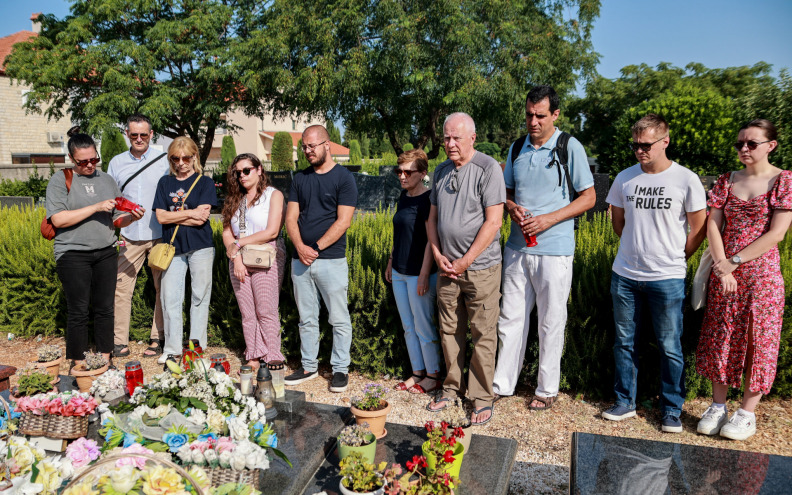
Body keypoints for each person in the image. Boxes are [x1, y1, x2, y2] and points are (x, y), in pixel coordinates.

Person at [493, 85, 596, 410]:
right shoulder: (516, 148)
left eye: (540, 115)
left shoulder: (569, 146)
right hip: (517, 248)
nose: (533, 121)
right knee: (510, 318)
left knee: (551, 321)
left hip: (555, 250)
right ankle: (502, 384)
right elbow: (505, 192)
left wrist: (548, 219)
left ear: (555, 115)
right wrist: (511, 207)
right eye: (528, 114)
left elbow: (589, 198)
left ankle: (546, 389)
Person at [603, 113, 707, 432]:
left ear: (665, 141)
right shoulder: (624, 178)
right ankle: (625, 402)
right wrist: (637, 249)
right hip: (625, 274)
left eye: (646, 145)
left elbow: (700, 226)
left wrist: (677, 256)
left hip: (668, 277)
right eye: (635, 145)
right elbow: (618, 223)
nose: (639, 151)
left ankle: (672, 409)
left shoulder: (686, 179)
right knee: (624, 342)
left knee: (669, 345)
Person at [695, 119, 792, 441]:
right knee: (719, 337)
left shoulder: (783, 181)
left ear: (771, 145)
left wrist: (734, 262)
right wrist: (722, 266)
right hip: (725, 274)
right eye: (740, 144)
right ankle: (717, 406)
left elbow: (777, 233)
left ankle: (747, 413)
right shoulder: (726, 180)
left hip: (761, 276)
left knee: (758, 341)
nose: (744, 149)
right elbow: (713, 224)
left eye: (751, 143)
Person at [426, 112, 505, 425]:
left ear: (473, 137)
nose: (449, 144)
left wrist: (465, 260)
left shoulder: (487, 168)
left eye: (456, 137)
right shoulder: (441, 171)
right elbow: (431, 219)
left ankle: (481, 396)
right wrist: (436, 253)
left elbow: (494, 221)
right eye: (446, 137)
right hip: (446, 269)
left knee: (483, 333)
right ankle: (450, 388)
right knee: (449, 331)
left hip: (481, 269)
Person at [45, 128, 143, 366]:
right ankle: (78, 363)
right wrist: (95, 207)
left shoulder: (107, 180)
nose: (90, 165)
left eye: (94, 159)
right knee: (78, 310)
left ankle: (105, 359)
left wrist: (133, 217)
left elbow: (117, 219)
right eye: (84, 161)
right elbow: (58, 219)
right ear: (72, 159)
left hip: (106, 251)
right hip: (72, 253)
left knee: (105, 308)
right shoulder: (61, 180)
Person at [284, 124, 358, 393]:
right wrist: (300, 247)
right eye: (304, 146)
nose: (307, 151)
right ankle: (308, 366)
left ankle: (340, 369)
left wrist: (313, 248)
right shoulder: (300, 178)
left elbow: (344, 221)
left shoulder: (344, 178)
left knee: (338, 318)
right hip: (300, 259)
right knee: (307, 317)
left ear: (327, 145)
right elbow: (290, 217)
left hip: (331, 260)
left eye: (312, 146)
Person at [107, 114, 169, 359]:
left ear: (151, 134)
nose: (139, 139)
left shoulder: (164, 160)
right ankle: (118, 341)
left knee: (161, 287)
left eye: (144, 134)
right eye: (134, 135)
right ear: (127, 134)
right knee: (121, 289)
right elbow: (112, 198)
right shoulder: (116, 162)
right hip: (129, 234)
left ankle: (158, 337)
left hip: (158, 235)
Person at [152, 137, 217, 365]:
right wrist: (190, 213)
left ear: (194, 157)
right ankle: (171, 348)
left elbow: (203, 219)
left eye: (186, 157)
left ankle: (195, 347)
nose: (181, 162)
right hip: (173, 248)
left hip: (201, 247)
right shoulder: (164, 183)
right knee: (170, 297)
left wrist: (174, 216)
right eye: (175, 158)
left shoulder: (205, 183)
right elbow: (160, 216)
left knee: (199, 297)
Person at [222, 153, 287, 371]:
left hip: (266, 256)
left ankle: (273, 354)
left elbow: (272, 231)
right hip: (239, 260)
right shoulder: (235, 199)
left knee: (266, 309)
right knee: (247, 312)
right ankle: (254, 354)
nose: (242, 176)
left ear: (259, 170)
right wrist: (237, 257)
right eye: (237, 172)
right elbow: (226, 232)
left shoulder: (273, 195)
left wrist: (238, 244)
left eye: (246, 170)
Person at [385, 149, 442, 394]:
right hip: (399, 271)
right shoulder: (404, 196)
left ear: (422, 173)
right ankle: (417, 373)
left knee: (423, 326)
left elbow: (432, 241)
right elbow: (400, 235)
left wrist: (424, 273)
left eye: (408, 171)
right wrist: (390, 261)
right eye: (399, 171)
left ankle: (433, 375)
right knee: (408, 326)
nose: (402, 176)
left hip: (420, 272)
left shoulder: (429, 199)